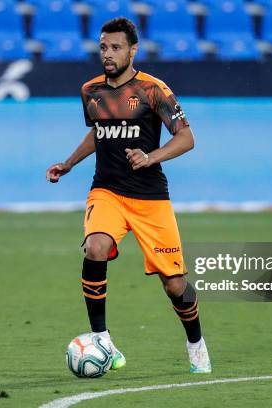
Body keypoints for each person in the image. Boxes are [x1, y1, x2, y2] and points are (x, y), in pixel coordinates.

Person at [46, 17, 211, 374]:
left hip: (150, 198)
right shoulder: (91, 91)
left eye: (116, 47)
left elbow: (186, 137)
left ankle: (195, 342)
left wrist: (151, 156)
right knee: (95, 247)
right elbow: (99, 132)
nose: (107, 54)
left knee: (175, 284)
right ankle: (102, 339)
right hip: (107, 191)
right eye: (103, 47)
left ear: (133, 50)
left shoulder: (153, 90)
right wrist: (69, 163)